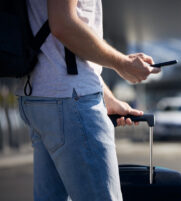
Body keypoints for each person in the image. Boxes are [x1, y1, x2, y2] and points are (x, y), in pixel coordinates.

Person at [17, 0, 161, 201]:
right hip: (71, 103)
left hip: (39, 96)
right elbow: (63, 24)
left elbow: (58, 46)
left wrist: (107, 97)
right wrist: (122, 64)